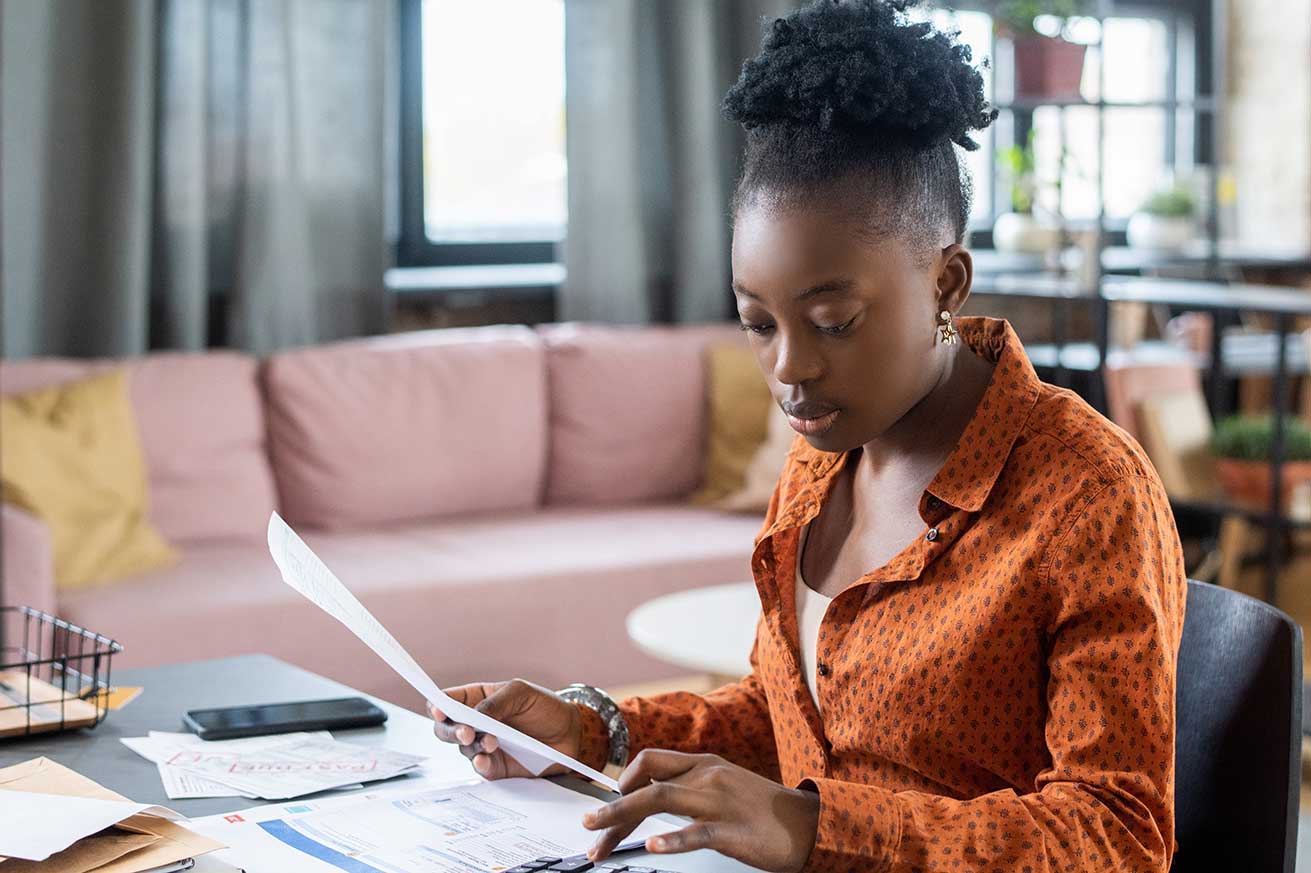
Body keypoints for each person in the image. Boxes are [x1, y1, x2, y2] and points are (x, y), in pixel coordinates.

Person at [432, 1, 1187, 870]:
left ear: (945, 284)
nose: (789, 368)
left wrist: (813, 829)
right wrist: (591, 729)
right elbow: (793, 723)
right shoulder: (821, 461)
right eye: (758, 322)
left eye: (833, 321)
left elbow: (1117, 835)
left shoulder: (1085, 492)